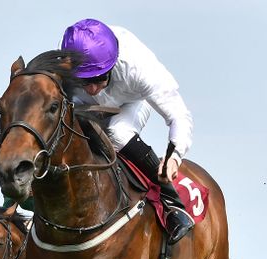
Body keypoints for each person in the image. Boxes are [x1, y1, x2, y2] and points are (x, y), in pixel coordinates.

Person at [61, 18, 195, 244]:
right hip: (81, 105)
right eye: (85, 81)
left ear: (112, 64)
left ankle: (172, 204)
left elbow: (179, 116)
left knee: (117, 133)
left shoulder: (139, 69)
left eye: (99, 78)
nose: (93, 89)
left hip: (131, 102)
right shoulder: (68, 61)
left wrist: (174, 157)